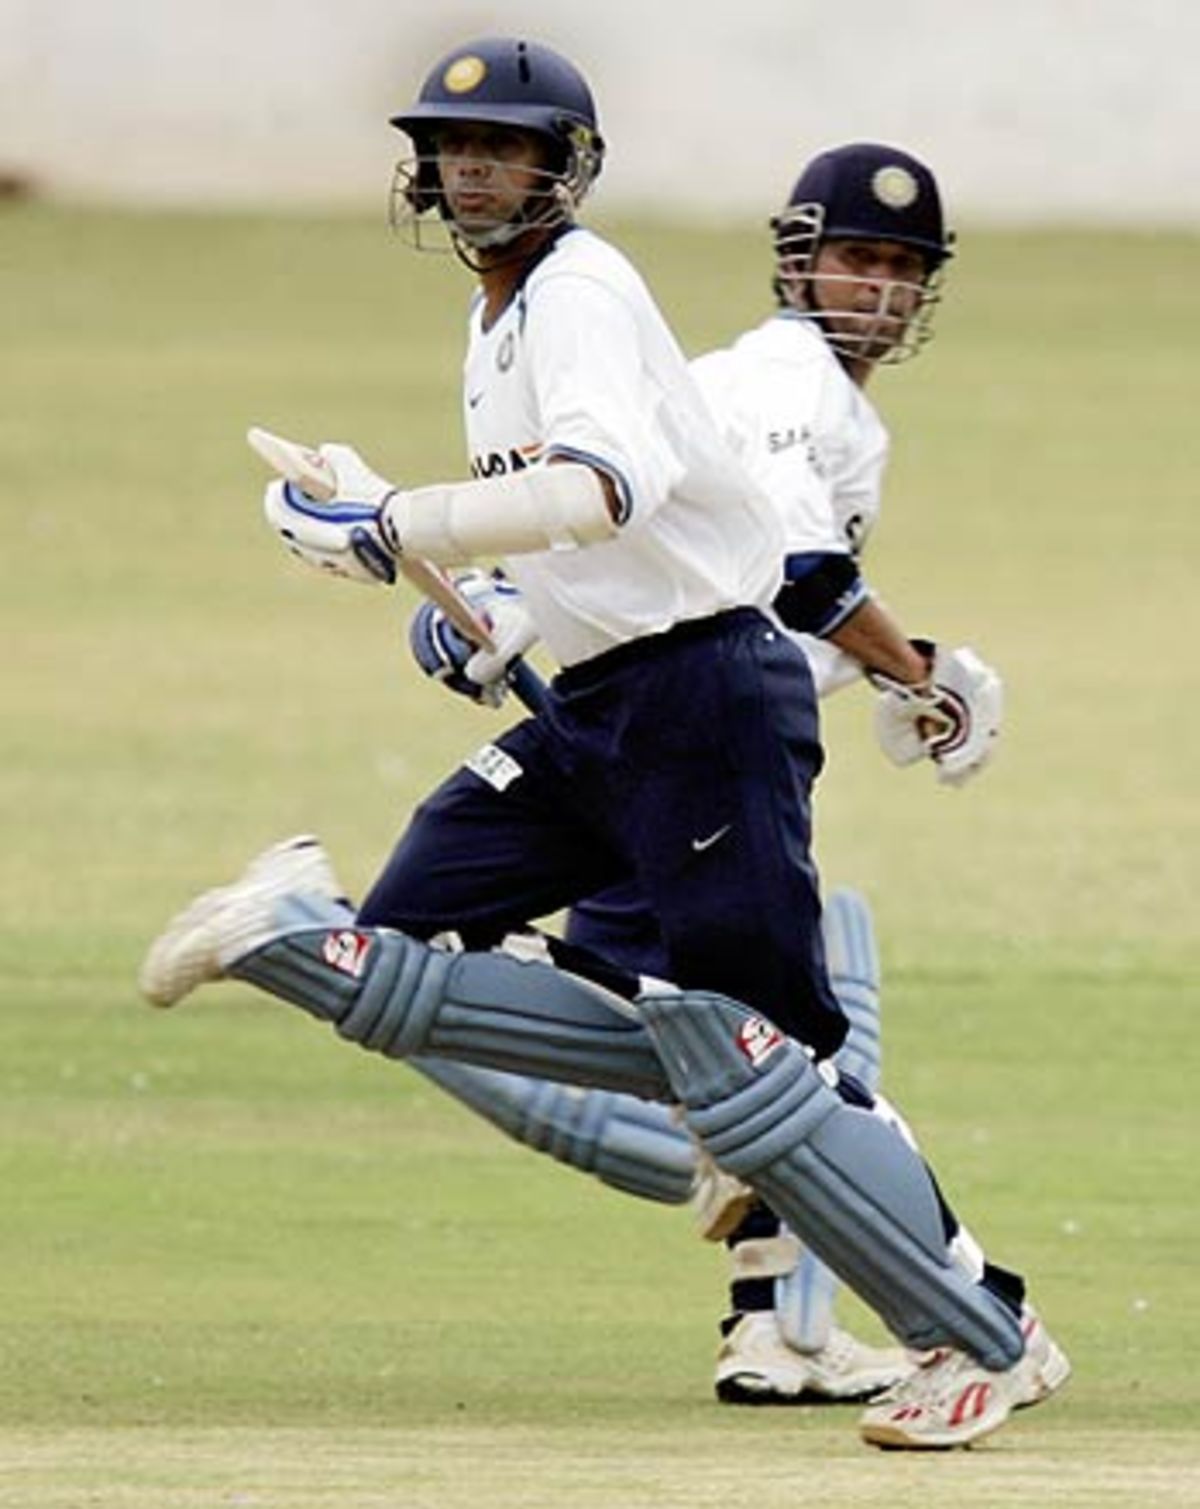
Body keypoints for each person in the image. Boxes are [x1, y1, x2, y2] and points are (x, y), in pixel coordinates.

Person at [139, 38, 1061, 1449]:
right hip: (598, 702)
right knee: (411, 942)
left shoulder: (579, 290)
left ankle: (984, 1333)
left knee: (773, 1055)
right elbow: (568, 526)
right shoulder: (499, 319)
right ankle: (329, 943)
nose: (477, 175)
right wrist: (468, 597)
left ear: (567, 169)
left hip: (700, 694)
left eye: (508, 152)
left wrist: (395, 527)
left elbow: (601, 491)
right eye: (457, 153)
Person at [401, 142, 1024, 1410]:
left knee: (736, 1025)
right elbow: (796, 569)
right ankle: (949, 1308)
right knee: (785, 1041)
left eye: (904, 269)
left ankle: (773, 1323)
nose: (878, 289)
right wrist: (918, 671)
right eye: (855, 258)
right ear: (797, 260)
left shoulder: (788, 392)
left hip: (658, 720)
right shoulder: (791, 381)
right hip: (689, 737)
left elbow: (668, 537)